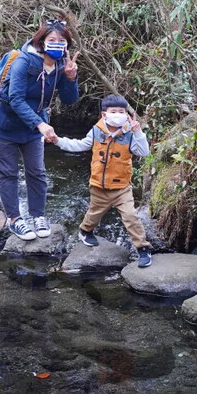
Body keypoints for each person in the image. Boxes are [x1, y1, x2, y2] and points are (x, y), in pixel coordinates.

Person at [0, 19, 80, 241]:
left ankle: (38, 216)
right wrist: (41, 124)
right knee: (7, 173)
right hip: (3, 124)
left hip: (33, 126)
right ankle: (15, 220)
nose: (57, 44)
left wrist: (71, 78)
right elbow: (15, 98)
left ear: (67, 45)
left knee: (37, 172)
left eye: (62, 41)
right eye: (52, 40)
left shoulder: (60, 65)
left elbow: (69, 99)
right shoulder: (24, 62)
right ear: (41, 42)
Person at [50, 94, 154, 267]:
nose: (119, 114)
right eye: (114, 111)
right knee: (94, 213)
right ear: (104, 114)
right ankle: (84, 231)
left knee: (131, 217)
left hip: (122, 188)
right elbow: (80, 145)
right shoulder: (97, 131)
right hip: (99, 186)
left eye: (122, 111)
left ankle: (143, 249)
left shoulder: (130, 133)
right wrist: (58, 141)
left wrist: (138, 132)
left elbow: (144, 153)